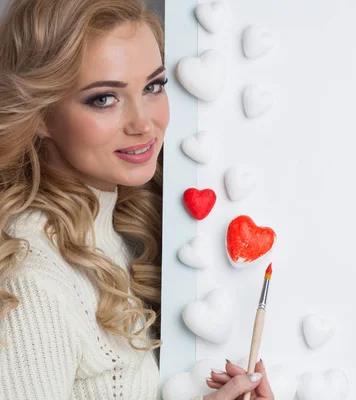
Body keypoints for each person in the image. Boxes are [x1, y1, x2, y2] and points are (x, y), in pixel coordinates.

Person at [0, 0, 274, 399]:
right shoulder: (31, 282)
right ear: (40, 113)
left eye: (153, 86)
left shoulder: (125, 226)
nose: (144, 123)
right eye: (104, 98)